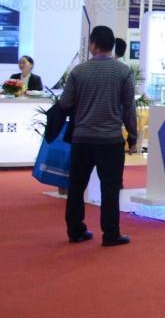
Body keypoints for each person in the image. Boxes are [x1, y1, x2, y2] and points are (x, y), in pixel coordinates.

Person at [58, 26, 139, 246]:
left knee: (77, 186)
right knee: (110, 188)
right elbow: (129, 108)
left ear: (93, 45)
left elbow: (64, 103)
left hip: (82, 138)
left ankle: (75, 230)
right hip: (110, 140)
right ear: (112, 46)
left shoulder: (78, 72)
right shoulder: (123, 72)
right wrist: (132, 136)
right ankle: (111, 234)